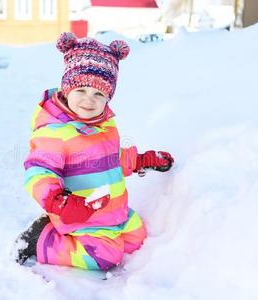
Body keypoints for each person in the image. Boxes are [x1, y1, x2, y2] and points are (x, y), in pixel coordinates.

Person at [15, 32, 174, 271]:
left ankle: (102, 234)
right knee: (105, 258)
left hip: (113, 211)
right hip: (81, 214)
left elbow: (109, 159)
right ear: (67, 89)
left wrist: (141, 160)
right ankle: (42, 239)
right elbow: (38, 172)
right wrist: (60, 203)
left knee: (136, 239)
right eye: (81, 90)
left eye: (99, 93)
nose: (89, 100)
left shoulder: (104, 124)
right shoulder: (55, 131)